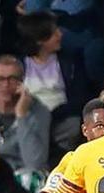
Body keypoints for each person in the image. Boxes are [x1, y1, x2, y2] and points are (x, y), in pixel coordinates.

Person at [16, 11, 89, 156]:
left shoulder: (71, 61)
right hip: (31, 120)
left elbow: (80, 96)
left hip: (62, 119)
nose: (60, 35)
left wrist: (54, 114)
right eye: (54, 32)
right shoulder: (19, 64)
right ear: (39, 40)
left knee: (73, 125)